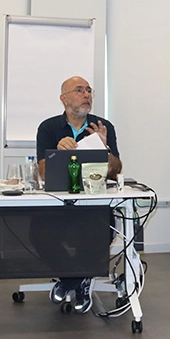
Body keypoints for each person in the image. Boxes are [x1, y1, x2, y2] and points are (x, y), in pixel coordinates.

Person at [35, 76, 122, 314]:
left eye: (89, 91)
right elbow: (43, 173)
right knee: (38, 233)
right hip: (59, 207)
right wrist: (58, 152)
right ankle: (77, 278)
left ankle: (71, 281)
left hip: (94, 205)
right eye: (79, 90)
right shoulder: (48, 128)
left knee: (99, 231)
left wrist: (104, 148)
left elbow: (115, 171)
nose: (86, 95)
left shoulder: (102, 126)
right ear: (64, 99)